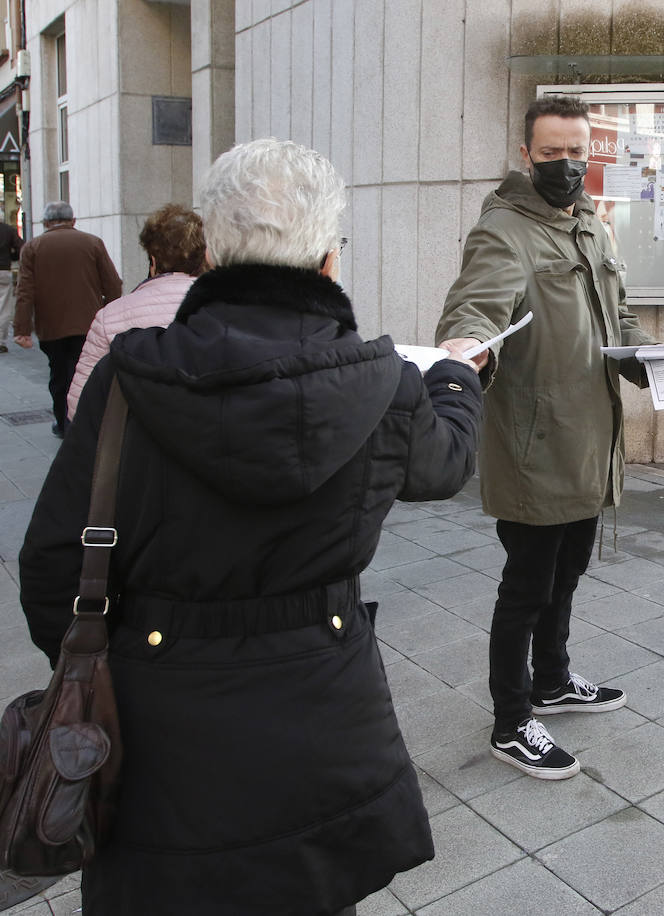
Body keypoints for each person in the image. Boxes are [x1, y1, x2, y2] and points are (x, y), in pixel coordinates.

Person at [19, 138, 483, 915]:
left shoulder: (130, 376)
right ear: (329, 260)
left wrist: (114, 664)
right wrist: (460, 379)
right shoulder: (386, 381)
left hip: (159, 737)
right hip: (327, 716)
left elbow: (51, 572)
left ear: (211, 248)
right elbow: (444, 468)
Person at [436, 95, 656, 780]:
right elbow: (476, 304)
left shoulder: (592, 225)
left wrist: (651, 355)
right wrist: (465, 344)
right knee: (526, 585)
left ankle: (553, 680)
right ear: (526, 154)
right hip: (535, 444)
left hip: (591, 439)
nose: (566, 165)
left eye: (576, 152)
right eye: (551, 152)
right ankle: (511, 720)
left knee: (569, 571)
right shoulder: (505, 230)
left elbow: (617, 314)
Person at [67, 204, 206, 420]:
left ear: (153, 260)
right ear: (205, 258)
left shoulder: (110, 317)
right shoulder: (227, 311)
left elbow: (80, 403)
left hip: (132, 446)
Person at [13, 201, 122, 437]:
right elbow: (113, 283)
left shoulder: (33, 247)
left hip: (51, 326)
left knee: (59, 374)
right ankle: (86, 423)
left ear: (45, 223)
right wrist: (109, 311)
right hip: (87, 323)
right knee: (85, 373)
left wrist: (21, 328)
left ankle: (63, 422)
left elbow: (25, 291)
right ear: (73, 221)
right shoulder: (92, 243)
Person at [0, 215, 23, 353]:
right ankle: (0, 341)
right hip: (3, 270)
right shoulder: (8, 230)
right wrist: (12, 256)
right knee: (3, 307)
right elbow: (21, 248)